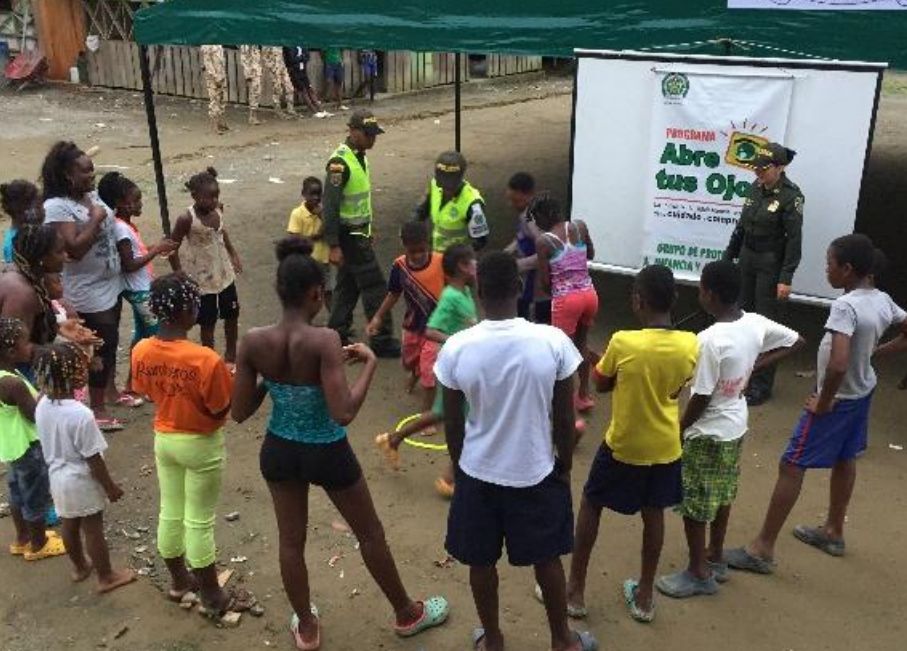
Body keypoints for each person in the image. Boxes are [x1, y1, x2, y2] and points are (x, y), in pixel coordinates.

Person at [231, 237, 450, 650]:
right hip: (327, 451)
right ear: (315, 293)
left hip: (280, 450)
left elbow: (239, 411)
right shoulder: (325, 340)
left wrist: (271, 376)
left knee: (290, 542)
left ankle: (308, 628)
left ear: (280, 291)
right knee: (370, 533)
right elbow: (343, 412)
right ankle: (407, 613)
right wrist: (367, 363)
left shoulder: (253, 341)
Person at [436, 252, 596, 651]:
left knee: (481, 562)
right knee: (548, 560)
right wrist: (563, 463)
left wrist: (460, 467)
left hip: (477, 472)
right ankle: (563, 640)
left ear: (477, 291)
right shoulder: (552, 342)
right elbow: (564, 415)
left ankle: (492, 640)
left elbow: (453, 422)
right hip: (537, 471)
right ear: (519, 289)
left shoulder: (457, 348)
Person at [726, 234, 907, 574]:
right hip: (862, 392)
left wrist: (824, 402)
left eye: (829, 264)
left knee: (792, 464)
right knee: (845, 457)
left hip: (836, 400)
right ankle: (834, 531)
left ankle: (762, 548)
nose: (827, 270)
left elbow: (838, 364)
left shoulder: (846, 307)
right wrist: (871, 355)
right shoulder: (881, 299)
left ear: (847, 269)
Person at [655, 261, 803, 599]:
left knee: (694, 503)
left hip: (706, 432)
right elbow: (797, 340)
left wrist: (679, 429)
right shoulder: (754, 323)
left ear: (708, 293)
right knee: (722, 494)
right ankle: (716, 556)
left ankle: (698, 572)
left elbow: (702, 396)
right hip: (736, 425)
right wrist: (753, 367)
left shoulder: (708, 340)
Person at [566, 265, 698, 624]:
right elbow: (677, 385)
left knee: (592, 503)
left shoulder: (624, 341)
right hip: (666, 446)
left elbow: (601, 384)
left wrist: (597, 360)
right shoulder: (691, 344)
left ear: (638, 301)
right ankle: (644, 594)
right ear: (673, 299)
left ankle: (575, 589)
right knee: (653, 513)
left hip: (624, 444)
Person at [131, 272, 249, 619]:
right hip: (200, 443)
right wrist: (233, 379)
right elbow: (219, 407)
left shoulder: (141, 350)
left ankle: (179, 581)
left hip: (164, 438)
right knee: (199, 520)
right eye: (195, 301)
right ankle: (213, 596)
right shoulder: (205, 359)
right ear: (185, 311)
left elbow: (145, 391)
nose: (199, 306)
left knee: (171, 509)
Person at [374, 244, 476, 497]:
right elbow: (430, 329)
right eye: (470, 262)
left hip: (465, 365)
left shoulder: (465, 292)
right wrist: (455, 339)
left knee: (444, 414)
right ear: (459, 268)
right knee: (464, 419)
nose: (476, 265)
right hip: (455, 366)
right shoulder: (451, 296)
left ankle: (393, 439)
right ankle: (448, 479)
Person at [33, 342, 136, 592]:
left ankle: (80, 566)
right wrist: (110, 487)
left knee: (69, 523)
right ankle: (106, 576)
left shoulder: (42, 403)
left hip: (56, 477)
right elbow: (93, 459)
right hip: (80, 478)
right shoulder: (80, 414)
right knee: (93, 528)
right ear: (76, 373)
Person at [42, 141, 125, 431]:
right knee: (97, 347)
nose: (92, 176)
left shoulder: (89, 196)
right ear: (67, 175)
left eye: (92, 170)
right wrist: (96, 220)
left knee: (110, 341)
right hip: (86, 291)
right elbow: (74, 248)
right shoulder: (56, 207)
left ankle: (109, 393)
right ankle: (97, 407)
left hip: (110, 283)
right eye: (85, 172)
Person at [723, 142, 804, 406]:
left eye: (764, 168)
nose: (758, 172)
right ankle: (740, 374)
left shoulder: (791, 197)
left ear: (780, 168)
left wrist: (786, 277)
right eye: (756, 167)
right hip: (747, 257)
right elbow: (741, 227)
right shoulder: (754, 188)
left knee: (765, 325)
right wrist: (728, 258)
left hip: (770, 264)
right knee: (742, 316)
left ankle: (761, 384)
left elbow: (794, 240)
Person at [324, 109, 400, 357]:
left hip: (358, 233)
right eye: (368, 135)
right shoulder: (340, 164)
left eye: (374, 135)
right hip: (350, 237)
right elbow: (331, 205)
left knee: (348, 286)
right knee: (375, 286)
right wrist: (333, 244)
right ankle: (382, 338)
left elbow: (359, 201)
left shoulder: (360, 157)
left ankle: (336, 332)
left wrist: (369, 229)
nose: (372, 139)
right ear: (353, 132)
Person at [98, 171, 177, 403]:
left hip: (140, 288)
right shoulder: (122, 229)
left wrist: (156, 247)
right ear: (121, 203)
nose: (140, 203)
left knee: (142, 338)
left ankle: (134, 384)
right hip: (139, 291)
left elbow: (135, 254)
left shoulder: (125, 225)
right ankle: (151, 384)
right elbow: (129, 264)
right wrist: (155, 250)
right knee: (157, 338)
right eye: (136, 200)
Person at [0, 317, 63, 562]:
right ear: (10, 350)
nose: (30, 347)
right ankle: (39, 544)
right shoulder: (13, 383)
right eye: (26, 343)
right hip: (29, 447)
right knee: (35, 495)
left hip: (10, 446)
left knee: (17, 493)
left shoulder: (6, 373)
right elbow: (34, 415)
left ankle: (22, 538)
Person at [168, 167, 243, 370]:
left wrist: (233, 253)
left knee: (232, 315)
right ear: (194, 196)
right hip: (202, 279)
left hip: (224, 273)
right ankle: (210, 360)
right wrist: (178, 272)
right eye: (207, 198)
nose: (212, 201)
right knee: (207, 322)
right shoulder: (187, 219)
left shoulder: (218, 208)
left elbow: (222, 232)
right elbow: (171, 247)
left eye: (215, 196)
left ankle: (231, 356)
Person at [367, 220, 444, 412]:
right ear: (404, 246)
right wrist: (377, 317)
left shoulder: (441, 262)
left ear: (428, 244)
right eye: (413, 251)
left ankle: (427, 413)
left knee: (429, 371)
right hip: (412, 326)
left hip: (436, 329)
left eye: (421, 250)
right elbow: (393, 294)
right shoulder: (399, 266)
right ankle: (414, 373)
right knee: (409, 361)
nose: (417, 256)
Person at [532, 195, 598, 413]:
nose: (536, 224)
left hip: (566, 300)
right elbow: (591, 253)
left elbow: (544, 281)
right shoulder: (579, 226)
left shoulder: (544, 242)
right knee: (581, 343)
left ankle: (562, 401)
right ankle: (584, 395)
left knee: (560, 352)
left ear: (545, 215)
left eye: (536, 218)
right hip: (589, 294)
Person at [0, 224, 66, 371]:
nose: (65, 257)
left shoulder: (23, 274)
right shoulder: (21, 293)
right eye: (59, 252)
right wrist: (67, 352)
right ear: (42, 258)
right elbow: (12, 347)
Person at [414, 151, 490, 253]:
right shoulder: (434, 186)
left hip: (458, 260)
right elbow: (421, 212)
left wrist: (459, 256)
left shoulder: (473, 203)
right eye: (443, 184)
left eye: (450, 185)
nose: (446, 189)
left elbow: (480, 241)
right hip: (435, 254)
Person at [503, 172, 548, 324]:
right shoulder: (528, 212)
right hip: (527, 281)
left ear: (527, 195)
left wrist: (518, 265)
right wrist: (509, 250)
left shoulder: (532, 219)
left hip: (535, 286)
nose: (511, 205)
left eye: (516, 200)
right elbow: (521, 237)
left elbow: (547, 250)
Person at [287, 176, 334, 309]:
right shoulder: (297, 214)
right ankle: (304, 321)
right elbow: (294, 240)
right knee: (308, 293)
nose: (316, 198)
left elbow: (332, 231)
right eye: (312, 194)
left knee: (329, 291)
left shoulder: (324, 213)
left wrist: (322, 216)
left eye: (318, 194)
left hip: (324, 260)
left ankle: (335, 320)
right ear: (303, 194)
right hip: (306, 262)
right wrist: (315, 237)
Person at [1, 180, 41, 264]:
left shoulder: (29, 234)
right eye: (38, 207)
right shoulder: (15, 244)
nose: (43, 210)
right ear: (22, 211)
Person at [282, 46, 327, 118]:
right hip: (295, 71)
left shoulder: (303, 45)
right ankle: (313, 111)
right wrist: (302, 58)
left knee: (310, 89)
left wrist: (300, 58)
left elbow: (307, 56)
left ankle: (320, 109)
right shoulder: (290, 47)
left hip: (303, 70)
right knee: (303, 91)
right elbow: (291, 59)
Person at [200, 45, 229, 134]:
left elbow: (220, 61)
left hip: (221, 75)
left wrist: (222, 76)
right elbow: (208, 63)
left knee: (223, 99)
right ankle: (215, 126)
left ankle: (220, 122)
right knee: (215, 100)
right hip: (213, 78)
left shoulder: (218, 45)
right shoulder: (207, 46)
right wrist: (215, 77)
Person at [240, 45, 263, 125]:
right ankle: (252, 116)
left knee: (257, 92)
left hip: (257, 71)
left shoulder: (256, 45)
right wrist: (248, 74)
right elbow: (244, 59)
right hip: (252, 73)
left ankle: (253, 115)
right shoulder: (246, 45)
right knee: (254, 92)